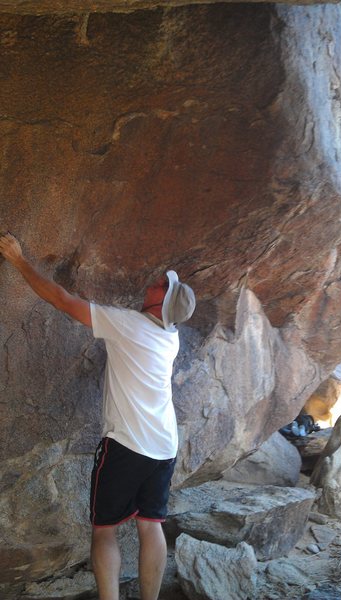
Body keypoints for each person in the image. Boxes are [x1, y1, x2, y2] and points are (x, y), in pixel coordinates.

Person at [0, 232, 196, 600]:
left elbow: (63, 300)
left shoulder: (131, 326)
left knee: (104, 530)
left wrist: (18, 259)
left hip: (127, 445)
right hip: (164, 446)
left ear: (160, 306)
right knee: (150, 524)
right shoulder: (171, 336)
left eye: (159, 287)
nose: (153, 284)